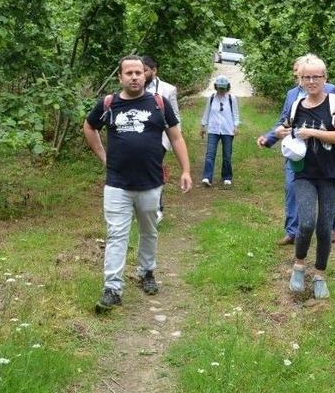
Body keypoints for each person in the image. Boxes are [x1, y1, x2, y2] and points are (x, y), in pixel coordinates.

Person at [84, 55, 192, 313]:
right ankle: (112, 288)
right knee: (116, 234)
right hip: (117, 184)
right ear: (120, 77)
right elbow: (89, 127)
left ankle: (146, 272)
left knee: (149, 231)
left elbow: (176, 137)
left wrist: (186, 170)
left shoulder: (159, 103)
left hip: (151, 183)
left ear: (146, 75)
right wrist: (103, 156)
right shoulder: (109, 104)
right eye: (129, 73)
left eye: (138, 72)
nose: (134, 77)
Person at [273, 54, 335, 299]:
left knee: (325, 227)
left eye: (317, 76)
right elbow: (286, 127)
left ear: (325, 78)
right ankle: (298, 266)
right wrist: (280, 132)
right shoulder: (297, 105)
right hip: (304, 172)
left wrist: (313, 133)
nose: (312, 81)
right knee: (306, 223)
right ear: (300, 80)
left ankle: (319, 275)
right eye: (307, 77)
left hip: (329, 173)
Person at [257, 56, 335, 245]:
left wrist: (315, 132)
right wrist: (270, 137)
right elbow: (284, 121)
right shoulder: (292, 95)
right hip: (296, 151)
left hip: (323, 153)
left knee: (327, 192)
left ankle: (333, 226)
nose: (302, 78)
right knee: (291, 188)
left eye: (307, 74)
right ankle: (293, 231)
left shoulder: (331, 91)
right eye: (299, 74)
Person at [143, 55, 180, 223]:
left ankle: (157, 208)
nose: (141, 74)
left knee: (153, 170)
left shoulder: (168, 89)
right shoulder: (133, 87)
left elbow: (175, 118)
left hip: (160, 139)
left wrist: (173, 141)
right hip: (137, 139)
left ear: (154, 70)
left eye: (145, 70)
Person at [200, 75, 240, 187]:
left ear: (227, 87)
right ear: (216, 87)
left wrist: (236, 126)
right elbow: (207, 112)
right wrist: (203, 126)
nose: (221, 90)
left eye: (223, 88)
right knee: (210, 154)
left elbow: (235, 114)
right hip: (213, 129)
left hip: (227, 130)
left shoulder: (232, 99)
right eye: (219, 88)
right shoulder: (212, 98)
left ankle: (226, 177)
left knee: (227, 155)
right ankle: (207, 177)